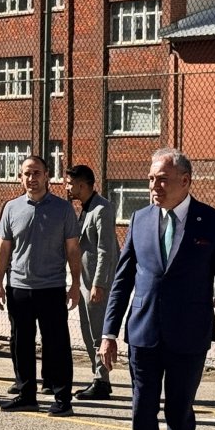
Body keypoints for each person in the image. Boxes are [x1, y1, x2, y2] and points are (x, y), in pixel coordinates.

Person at [99, 148, 215, 430]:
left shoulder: (214, 222)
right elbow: (122, 280)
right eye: (151, 179)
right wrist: (109, 333)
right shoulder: (140, 219)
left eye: (162, 179)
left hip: (188, 336)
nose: (154, 186)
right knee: (140, 415)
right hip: (143, 333)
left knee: (179, 416)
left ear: (185, 180)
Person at [0, 155, 82, 416]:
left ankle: (62, 397)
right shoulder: (11, 208)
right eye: (26, 174)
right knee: (20, 342)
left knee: (56, 344)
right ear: (20, 177)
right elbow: (3, 248)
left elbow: (73, 249)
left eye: (36, 173)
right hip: (19, 287)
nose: (31, 179)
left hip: (52, 287)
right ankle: (26, 394)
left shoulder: (63, 209)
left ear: (47, 176)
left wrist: (75, 284)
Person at [64, 165, 119, 401]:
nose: (67, 187)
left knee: (98, 332)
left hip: (97, 282)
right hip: (85, 281)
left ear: (83, 185)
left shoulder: (101, 209)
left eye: (70, 183)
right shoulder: (83, 209)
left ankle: (102, 381)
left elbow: (106, 250)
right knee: (88, 331)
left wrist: (99, 284)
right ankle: (98, 376)